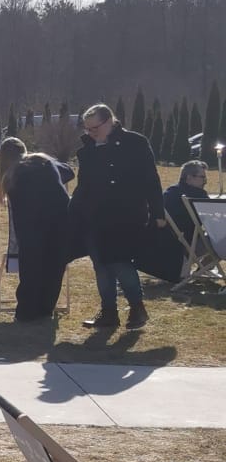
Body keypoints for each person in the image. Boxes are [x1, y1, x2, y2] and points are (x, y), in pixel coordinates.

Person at [70, 102, 166, 331]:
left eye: (95, 128)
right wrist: (73, 212)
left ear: (109, 121)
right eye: (87, 129)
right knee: (100, 265)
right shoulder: (87, 151)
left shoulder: (135, 143)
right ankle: (108, 312)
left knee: (120, 262)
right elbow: (83, 185)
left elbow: (151, 179)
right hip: (95, 216)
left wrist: (158, 212)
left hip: (126, 215)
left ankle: (137, 307)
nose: (91, 133)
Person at [0, 136, 73, 321]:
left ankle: (27, 311)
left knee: (31, 268)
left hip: (30, 227)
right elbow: (68, 171)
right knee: (54, 266)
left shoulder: (10, 176)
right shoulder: (43, 162)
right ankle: (45, 308)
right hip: (61, 222)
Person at [163, 158, 209, 241]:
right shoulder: (199, 195)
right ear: (189, 177)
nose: (205, 181)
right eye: (202, 177)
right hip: (190, 242)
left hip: (167, 239)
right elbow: (211, 220)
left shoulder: (169, 191)